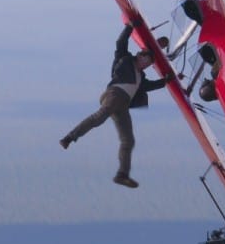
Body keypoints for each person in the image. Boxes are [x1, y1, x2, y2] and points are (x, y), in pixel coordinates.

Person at [60, 22, 170, 188]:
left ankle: (122, 174)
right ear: (140, 55)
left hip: (123, 104)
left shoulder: (141, 77)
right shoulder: (125, 59)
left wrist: (167, 81)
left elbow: (150, 86)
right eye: (146, 59)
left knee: (128, 140)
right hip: (114, 94)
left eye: (149, 63)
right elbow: (120, 43)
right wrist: (129, 27)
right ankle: (69, 137)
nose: (147, 64)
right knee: (100, 117)